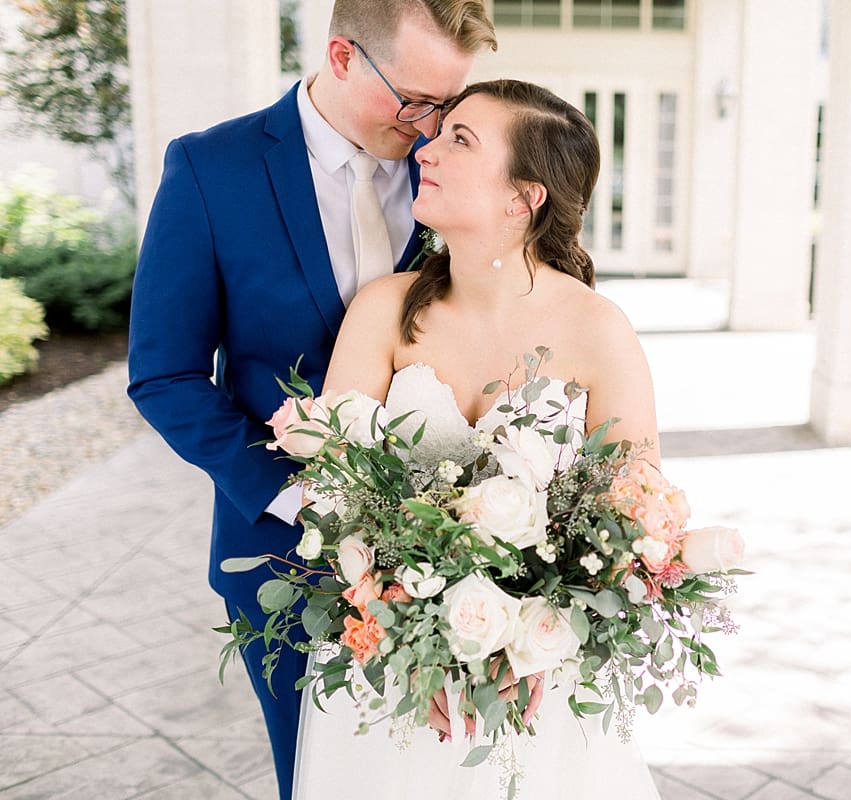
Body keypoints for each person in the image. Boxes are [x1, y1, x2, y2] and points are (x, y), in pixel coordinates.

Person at [126, 3, 496, 797]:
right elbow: (164, 375)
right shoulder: (209, 169)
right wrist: (293, 496)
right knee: (322, 779)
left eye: (449, 105)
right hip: (284, 559)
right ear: (340, 57)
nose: (431, 126)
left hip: (456, 560)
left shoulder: (445, 168)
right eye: (416, 100)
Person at [292, 80, 663, 797]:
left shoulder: (598, 329)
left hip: (539, 680)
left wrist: (527, 638)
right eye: (443, 132)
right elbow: (331, 490)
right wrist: (402, 628)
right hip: (391, 667)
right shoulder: (382, 309)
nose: (427, 150)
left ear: (524, 198)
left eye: (461, 140)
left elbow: (637, 519)